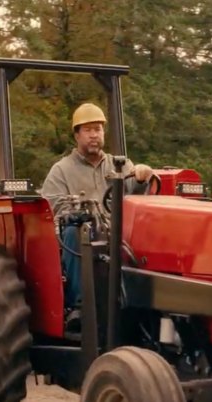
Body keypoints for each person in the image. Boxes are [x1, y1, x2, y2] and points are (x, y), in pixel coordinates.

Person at [41, 103, 153, 333]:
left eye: (98, 129)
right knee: (75, 231)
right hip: (79, 235)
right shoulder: (61, 170)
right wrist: (79, 212)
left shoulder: (120, 165)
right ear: (77, 134)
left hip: (116, 232)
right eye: (88, 130)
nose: (94, 135)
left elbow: (136, 194)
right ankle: (80, 305)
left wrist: (142, 177)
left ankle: (142, 299)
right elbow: (53, 207)